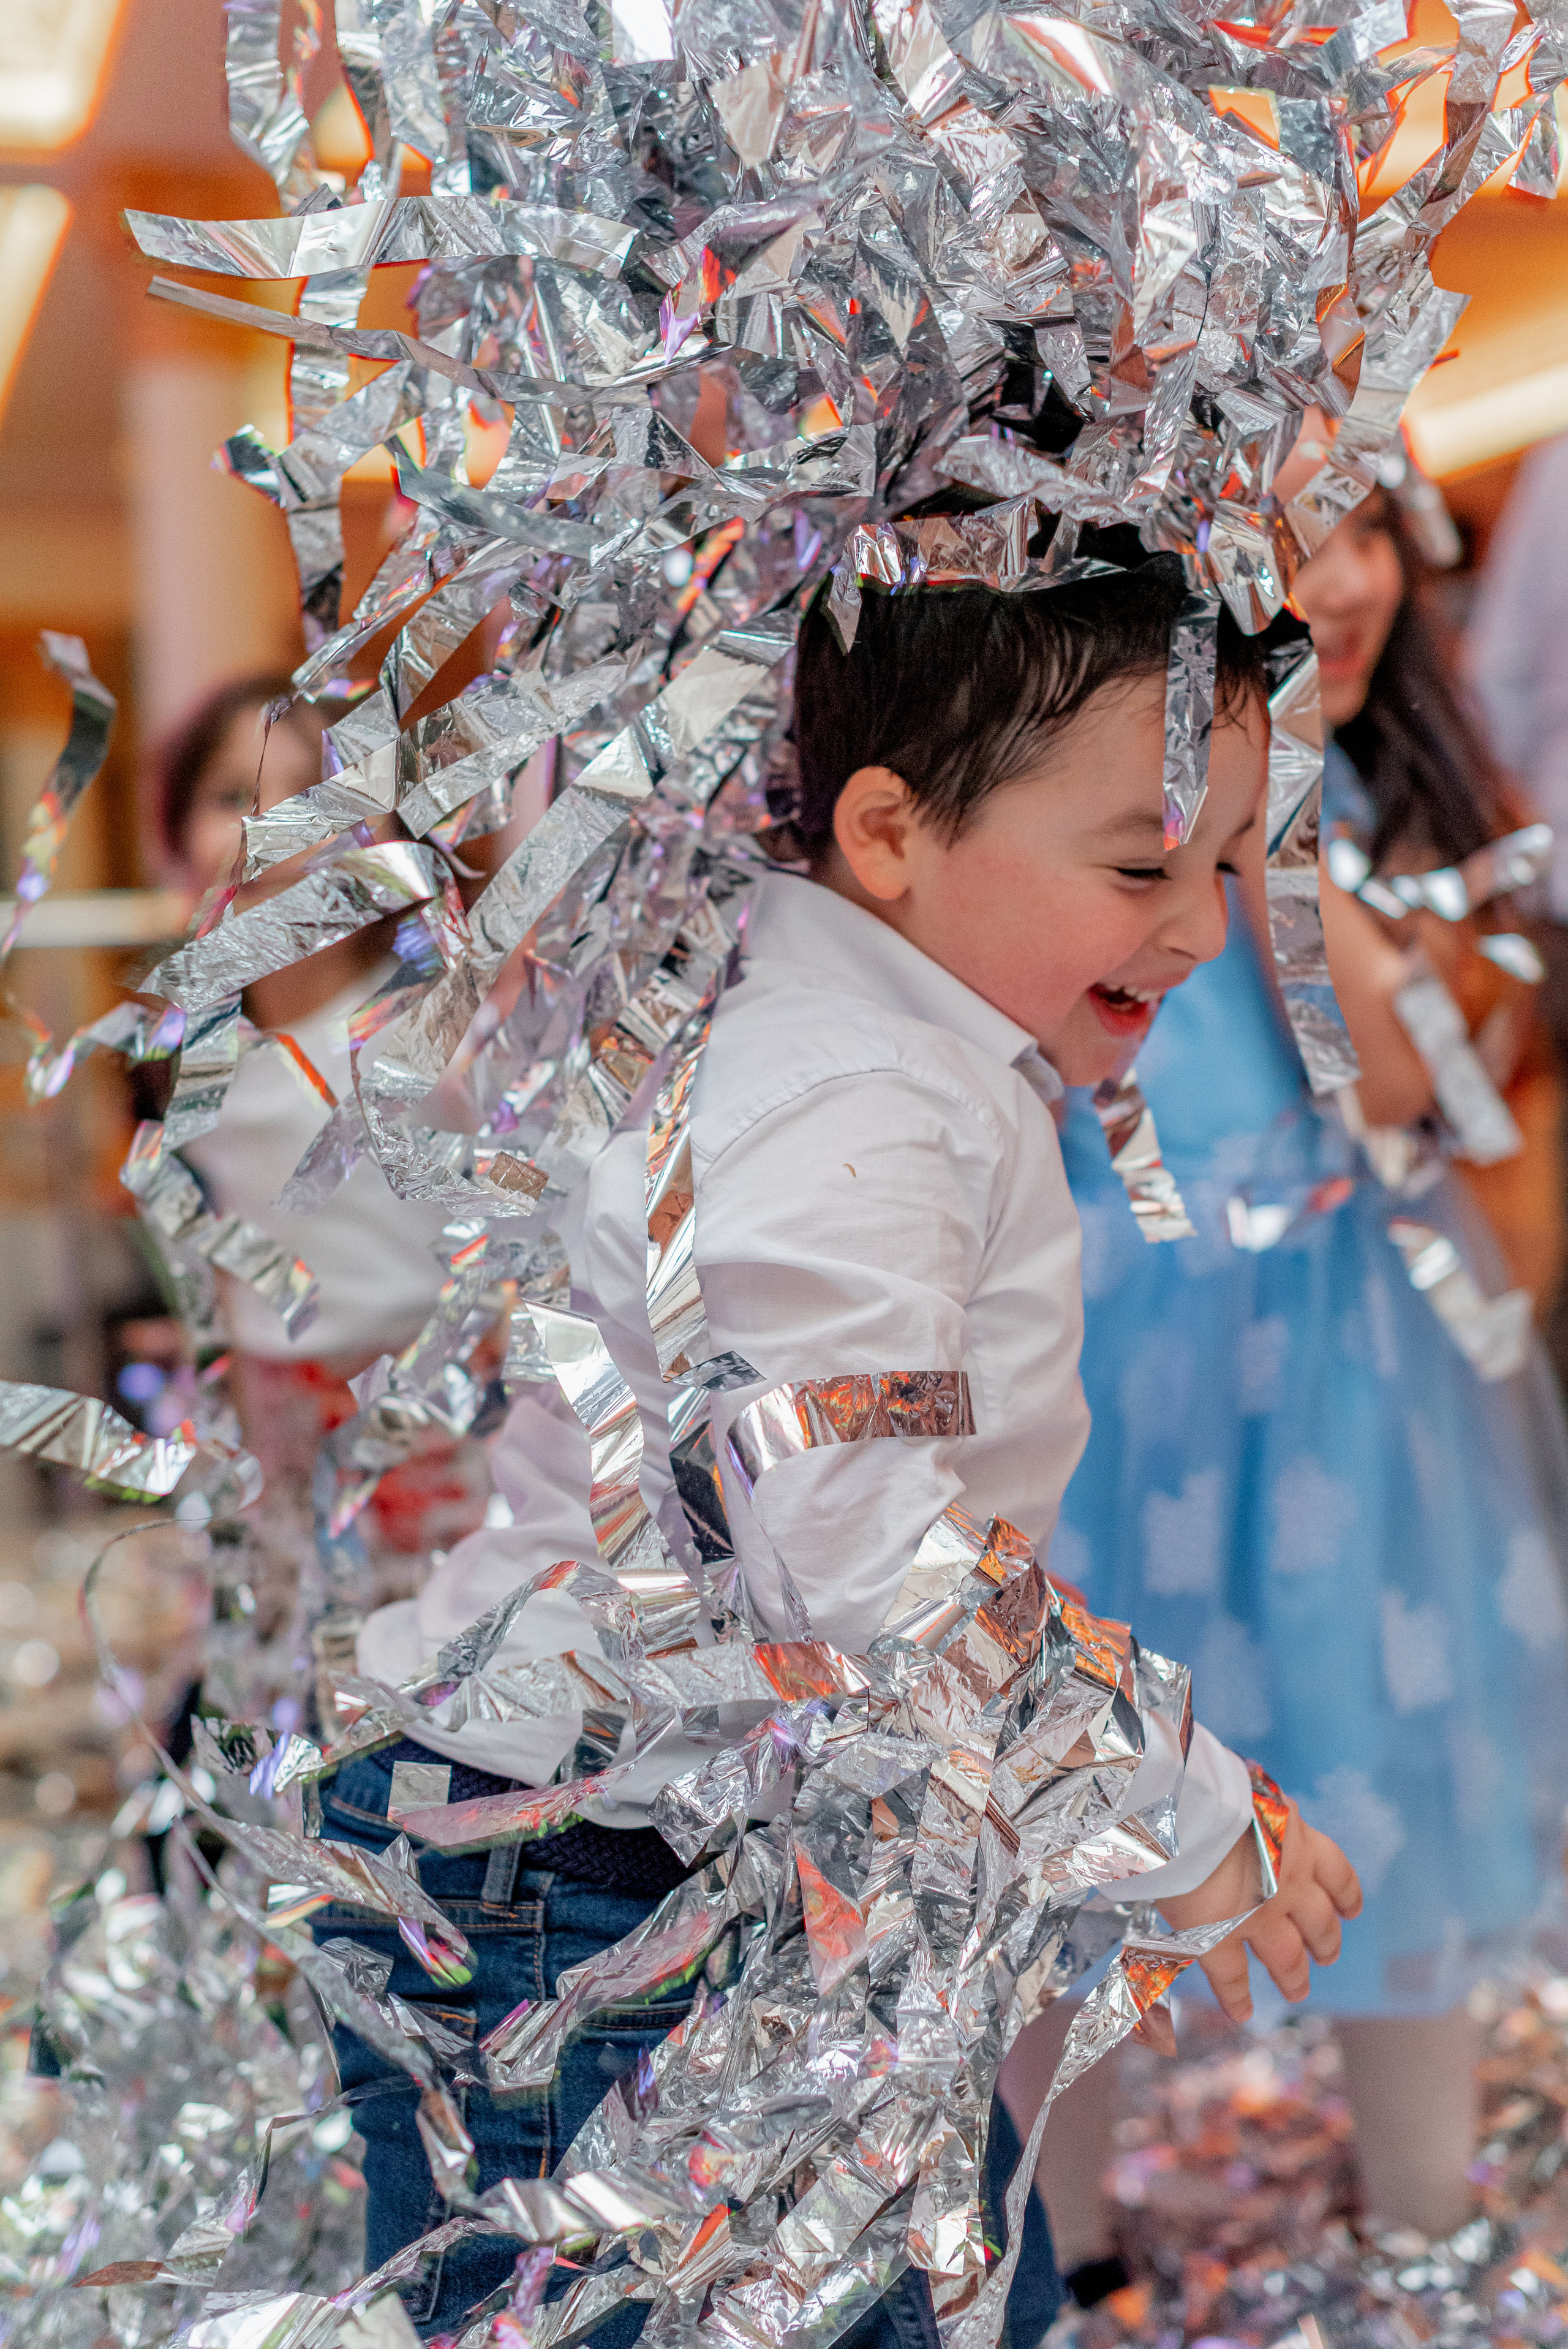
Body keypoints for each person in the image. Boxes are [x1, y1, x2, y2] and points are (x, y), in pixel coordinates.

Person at [314, 562, 1363, 2339]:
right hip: (581, 1886)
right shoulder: (849, 1086)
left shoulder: (880, 1041)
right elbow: (852, 1540)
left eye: (1234, 862)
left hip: (696, 1853)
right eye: (1141, 863)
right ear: (889, 829)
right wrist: (1161, 1790)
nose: (1200, 924)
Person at [1021, 496, 1568, 2287]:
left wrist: (1282, 810)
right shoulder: (1077, 773)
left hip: (1337, 1361)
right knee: (1071, 1810)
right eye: (1286, 535)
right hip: (1108, 1350)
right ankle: (1061, 2250)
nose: (1332, 582)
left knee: (1373, 1758)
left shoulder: (1379, 806)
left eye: (1365, 533)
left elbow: (1395, 1079)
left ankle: (1429, 2230)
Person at [147, 678, 473, 1578]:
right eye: (231, 796)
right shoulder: (202, 1043)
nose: (273, 832)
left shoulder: (432, 1029)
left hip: (436, 1436)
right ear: (174, 837)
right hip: (275, 1436)